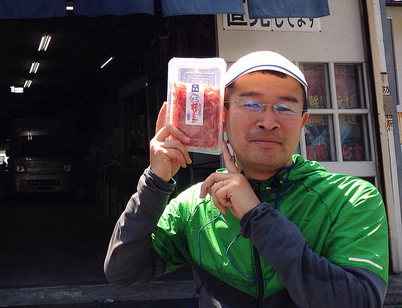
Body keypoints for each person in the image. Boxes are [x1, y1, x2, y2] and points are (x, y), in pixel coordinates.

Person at [104, 51, 389, 307]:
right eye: (252, 104)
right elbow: (122, 271)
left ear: (303, 122)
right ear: (222, 115)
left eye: (285, 107)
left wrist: (257, 216)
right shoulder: (196, 206)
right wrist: (155, 182)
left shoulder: (350, 199)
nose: (267, 121)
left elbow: (360, 300)